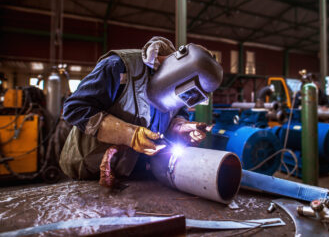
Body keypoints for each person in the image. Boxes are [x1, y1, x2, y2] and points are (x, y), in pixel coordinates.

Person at [59, 36, 221, 188]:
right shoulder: (119, 67)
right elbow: (75, 108)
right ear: (178, 68)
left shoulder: (182, 91)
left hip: (131, 175)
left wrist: (179, 127)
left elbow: (177, 114)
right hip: (88, 171)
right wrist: (130, 134)